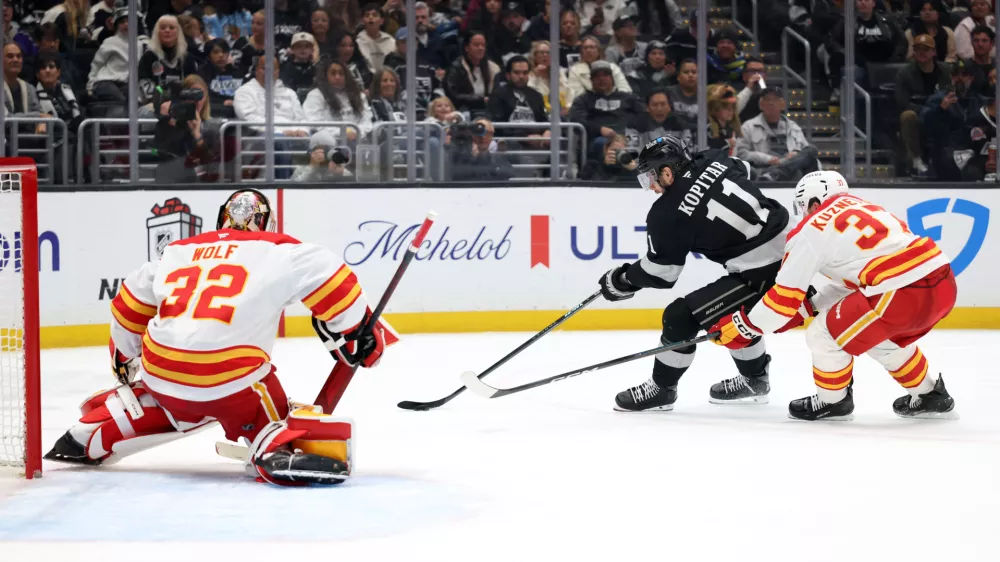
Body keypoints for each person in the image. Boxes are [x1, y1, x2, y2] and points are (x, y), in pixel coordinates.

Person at [43, 189, 397, 486]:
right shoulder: (278, 250)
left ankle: (96, 429)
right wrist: (352, 331)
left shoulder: (176, 251)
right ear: (266, 223)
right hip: (232, 385)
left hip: (162, 374)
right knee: (260, 394)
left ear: (220, 219)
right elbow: (329, 273)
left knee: (166, 387)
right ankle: (271, 442)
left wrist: (123, 358)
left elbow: (128, 304)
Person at [710, 171, 957, 421]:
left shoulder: (811, 229)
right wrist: (808, 307)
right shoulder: (867, 207)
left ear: (814, 203)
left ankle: (832, 402)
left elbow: (781, 303)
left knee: (824, 333)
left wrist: (745, 327)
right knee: (879, 334)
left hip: (898, 293)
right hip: (942, 282)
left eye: (803, 206)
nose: (803, 213)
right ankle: (929, 395)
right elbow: (859, 283)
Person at [599, 135, 790, 412]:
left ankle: (662, 389)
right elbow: (745, 171)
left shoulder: (666, 214)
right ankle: (755, 380)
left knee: (679, 317)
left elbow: (663, 273)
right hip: (798, 245)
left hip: (764, 270)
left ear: (667, 171)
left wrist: (623, 280)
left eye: (651, 178)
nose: (651, 187)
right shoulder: (715, 158)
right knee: (730, 311)